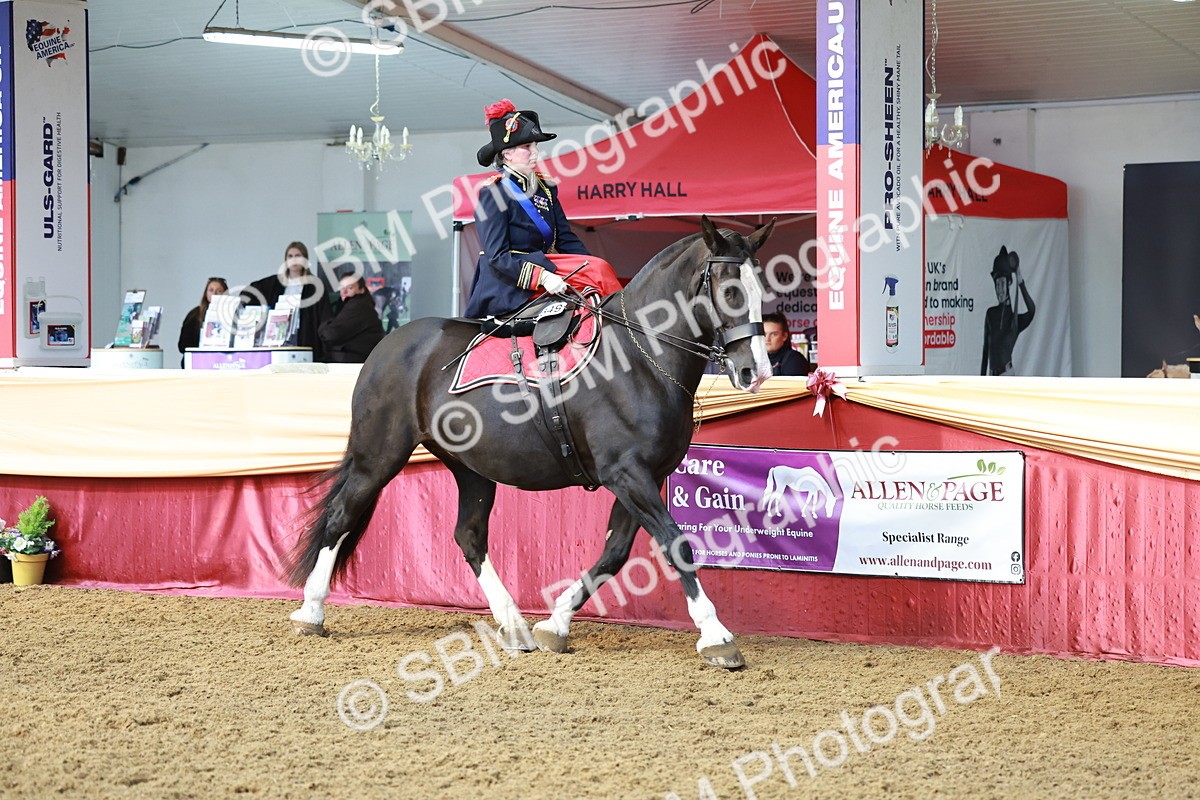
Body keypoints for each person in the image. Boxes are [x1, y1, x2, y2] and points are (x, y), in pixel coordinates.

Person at [465, 99, 623, 319]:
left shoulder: (545, 189)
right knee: (597, 271)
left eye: (536, 146)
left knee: (598, 269)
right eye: (527, 147)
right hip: (509, 281)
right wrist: (541, 277)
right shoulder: (494, 193)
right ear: (507, 153)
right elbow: (497, 257)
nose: (536, 153)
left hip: (544, 263)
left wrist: (588, 264)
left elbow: (566, 239)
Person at [243, 241, 331, 361]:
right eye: (290, 256)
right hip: (278, 337)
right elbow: (250, 292)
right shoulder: (275, 283)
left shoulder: (315, 286)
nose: (294, 260)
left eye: (298, 256)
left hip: (304, 336)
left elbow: (324, 317)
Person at [981, 246, 1036, 376]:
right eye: (996, 284)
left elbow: (1032, 310)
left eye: (1001, 283)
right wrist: (981, 380)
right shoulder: (990, 314)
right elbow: (985, 352)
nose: (999, 289)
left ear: (1009, 283)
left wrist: (1020, 281)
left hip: (1007, 375)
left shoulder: (1015, 321)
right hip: (991, 377)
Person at [319, 274, 386, 363]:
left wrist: (325, 325)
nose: (344, 292)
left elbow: (330, 335)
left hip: (353, 366)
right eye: (342, 288)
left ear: (361, 290)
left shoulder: (358, 306)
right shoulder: (354, 305)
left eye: (350, 288)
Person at [177, 277, 228, 367]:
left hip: (224, 362)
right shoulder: (194, 314)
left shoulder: (231, 314)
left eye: (218, 291)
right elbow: (183, 345)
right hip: (197, 362)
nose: (214, 293)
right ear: (206, 293)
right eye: (211, 290)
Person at [763, 311, 811, 376]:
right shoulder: (757, 360)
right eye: (764, 334)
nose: (767, 339)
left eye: (773, 334)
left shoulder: (794, 359)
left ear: (784, 336)